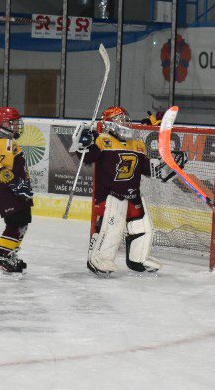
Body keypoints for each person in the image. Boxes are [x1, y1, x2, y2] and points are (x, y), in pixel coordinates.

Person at [75, 105, 185, 276]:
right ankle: (99, 259)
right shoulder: (102, 140)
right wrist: (82, 141)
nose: (125, 123)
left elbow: (147, 169)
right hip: (111, 195)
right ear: (110, 123)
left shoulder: (137, 144)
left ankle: (138, 259)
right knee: (113, 229)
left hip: (133, 194)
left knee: (143, 228)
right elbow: (86, 157)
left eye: (126, 119)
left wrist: (168, 167)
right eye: (120, 119)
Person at [0, 106, 33, 277]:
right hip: (10, 193)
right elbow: (1, 169)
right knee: (15, 224)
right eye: (12, 123)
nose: (16, 126)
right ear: (3, 124)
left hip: (15, 192)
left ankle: (9, 255)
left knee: (22, 222)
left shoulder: (8, 142)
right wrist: (16, 185)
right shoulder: (4, 143)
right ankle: (2, 259)